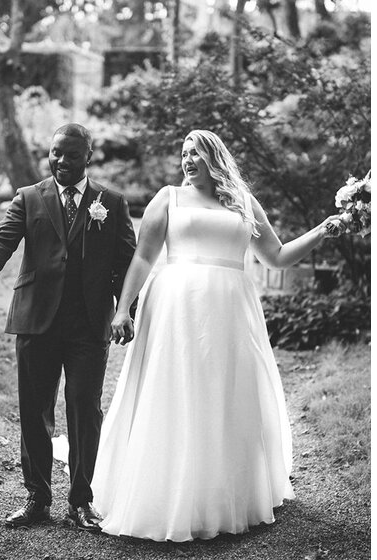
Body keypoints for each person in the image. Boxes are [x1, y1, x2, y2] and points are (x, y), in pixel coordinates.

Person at [92, 129, 341, 541]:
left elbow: (276, 257)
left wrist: (321, 231)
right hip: (176, 309)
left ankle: (222, 494)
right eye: (184, 153)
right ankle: (167, 493)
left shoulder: (245, 203)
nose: (188, 161)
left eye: (197, 154)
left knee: (225, 395)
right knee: (176, 392)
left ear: (215, 157)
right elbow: (143, 257)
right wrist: (123, 308)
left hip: (230, 314)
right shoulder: (168, 198)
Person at [0, 123, 137, 530]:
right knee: (34, 411)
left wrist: (127, 309)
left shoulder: (111, 202)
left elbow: (127, 262)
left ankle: (81, 501)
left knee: (84, 409)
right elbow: (2, 240)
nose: (61, 161)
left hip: (88, 325)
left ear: (88, 157)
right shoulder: (29, 197)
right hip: (36, 320)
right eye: (56, 152)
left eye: (71, 155)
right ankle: (37, 498)